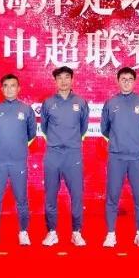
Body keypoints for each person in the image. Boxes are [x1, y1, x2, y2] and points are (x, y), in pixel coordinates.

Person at [101, 67, 139, 248]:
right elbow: (105, 129)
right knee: (112, 197)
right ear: (118, 81)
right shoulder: (110, 103)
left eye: (130, 79)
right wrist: (119, 142)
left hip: (136, 157)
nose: (126, 82)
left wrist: (134, 142)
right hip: (116, 157)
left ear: (134, 81)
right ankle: (111, 234)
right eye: (123, 79)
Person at [0, 74, 37, 246]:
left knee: (21, 199)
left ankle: (23, 232)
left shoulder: (26, 110)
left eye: (13, 85)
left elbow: (31, 134)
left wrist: (17, 147)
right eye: (6, 85)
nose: (9, 89)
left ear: (18, 88)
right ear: (2, 89)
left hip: (18, 162)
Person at [40, 66, 90, 247]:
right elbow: (44, 127)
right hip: (53, 154)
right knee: (50, 195)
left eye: (67, 77)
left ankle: (76, 232)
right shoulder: (48, 103)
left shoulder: (81, 103)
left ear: (72, 79)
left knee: (76, 195)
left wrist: (70, 141)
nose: (63, 81)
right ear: (55, 81)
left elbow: (83, 127)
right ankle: (52, 232)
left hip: (72, 154)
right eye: (59, 78)